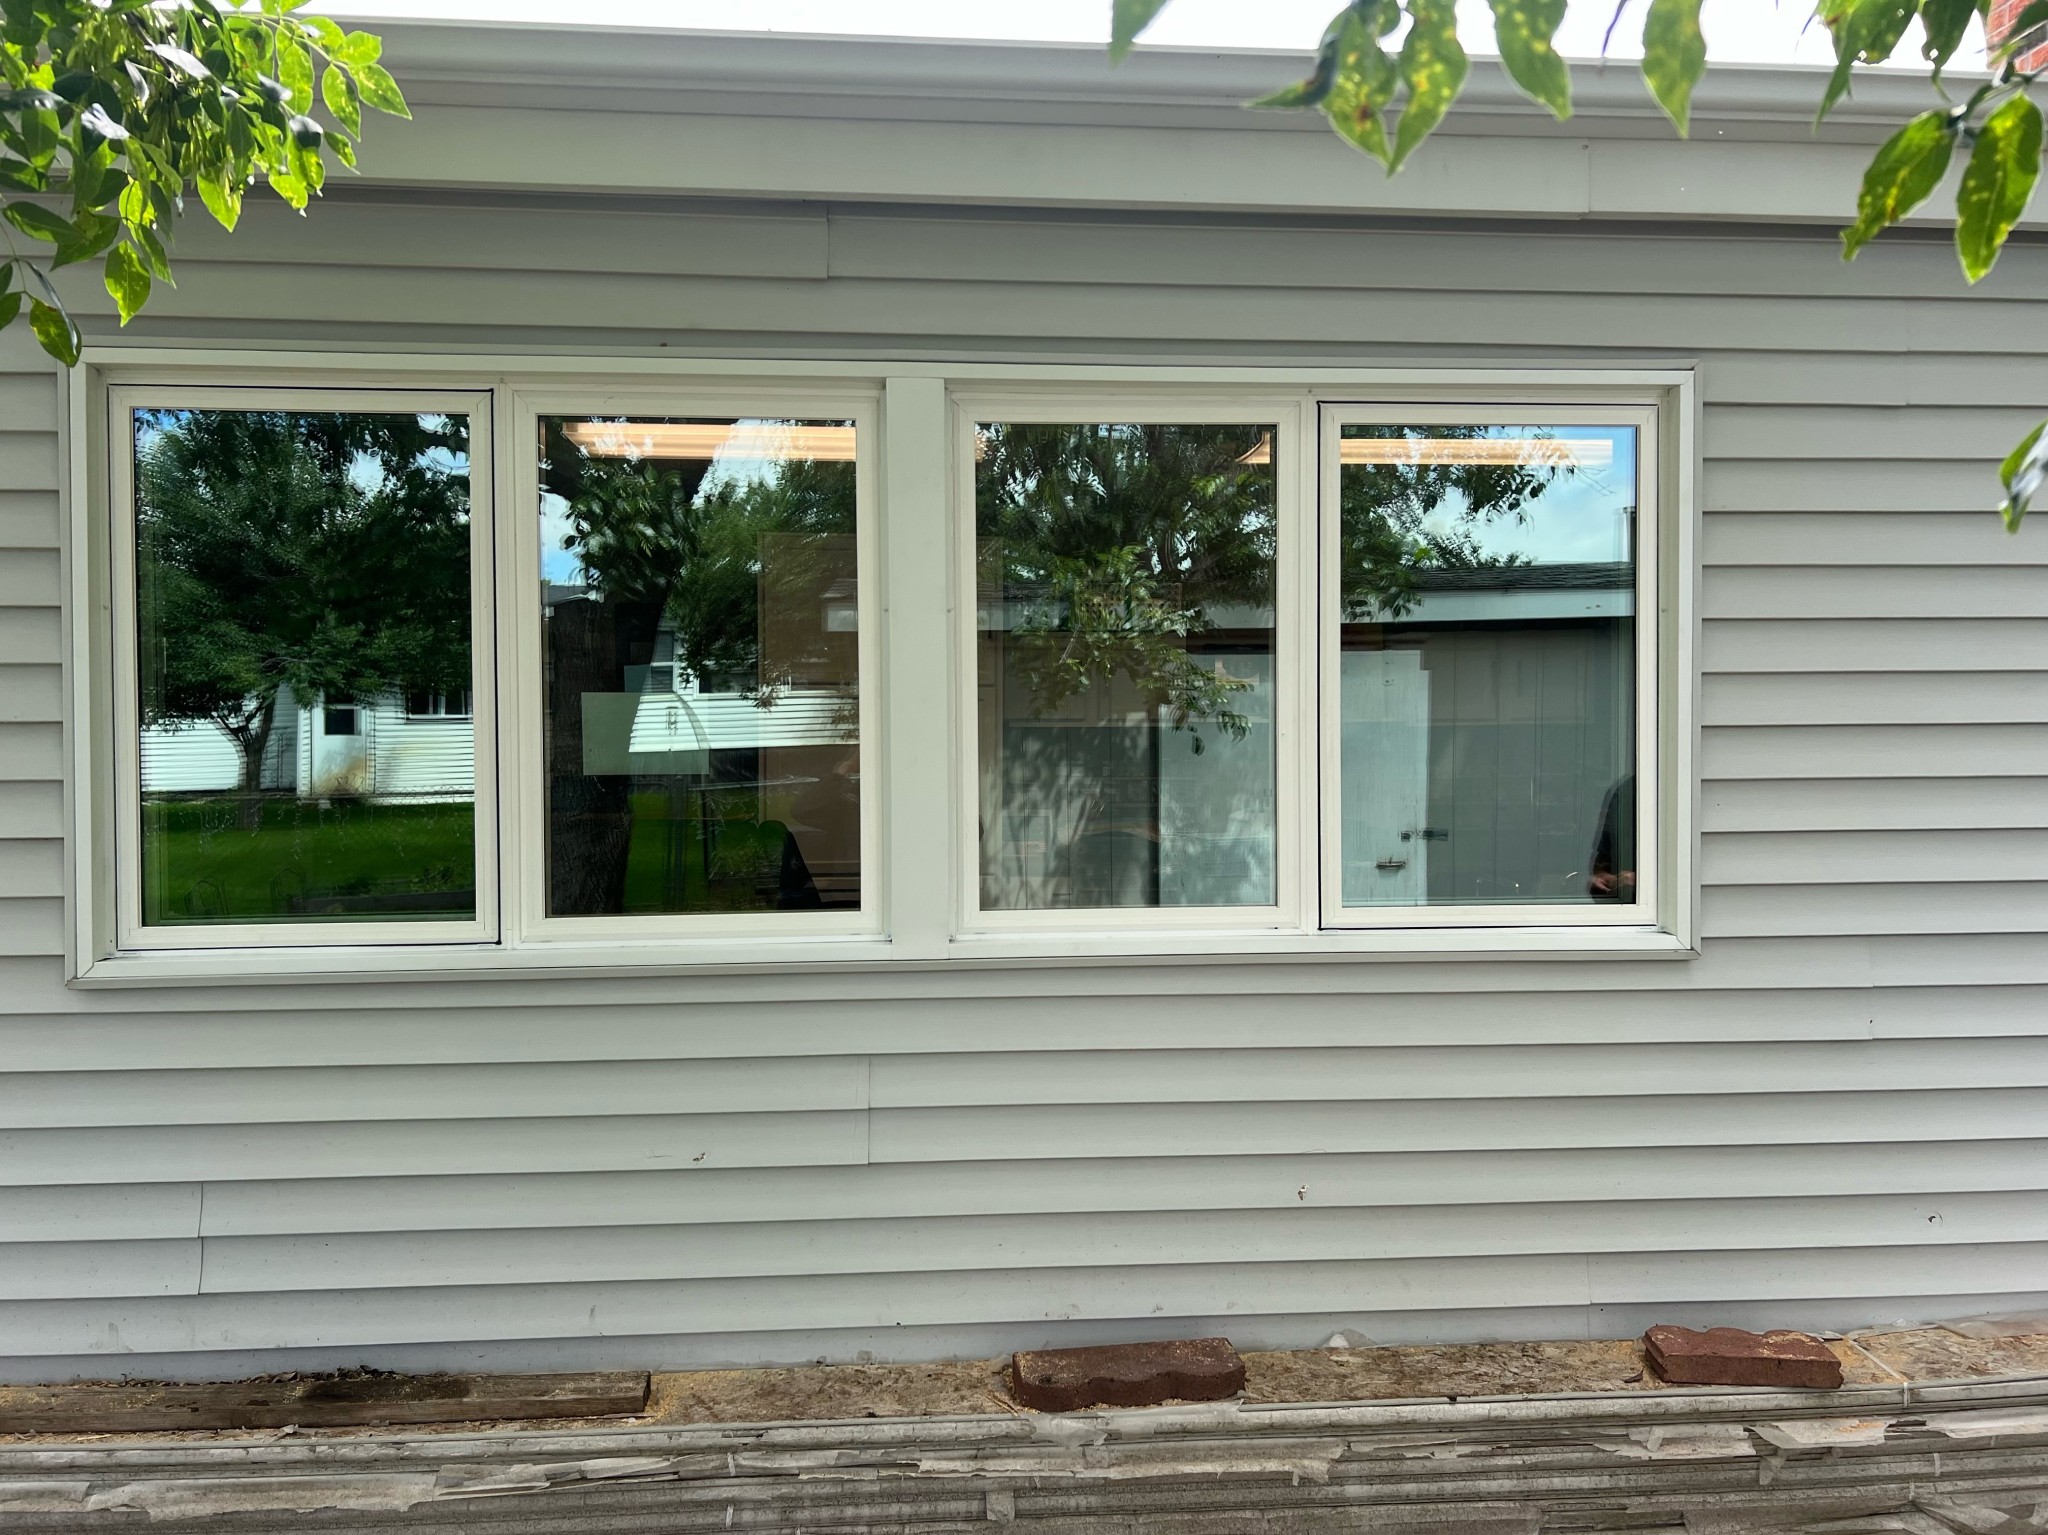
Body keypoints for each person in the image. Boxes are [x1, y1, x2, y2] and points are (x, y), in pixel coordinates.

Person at [1589, 774, 1635, 901]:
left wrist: (1639, 880)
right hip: (1624, 902)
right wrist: (1604, 877)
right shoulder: (1623, 792)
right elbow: (1604, 856)